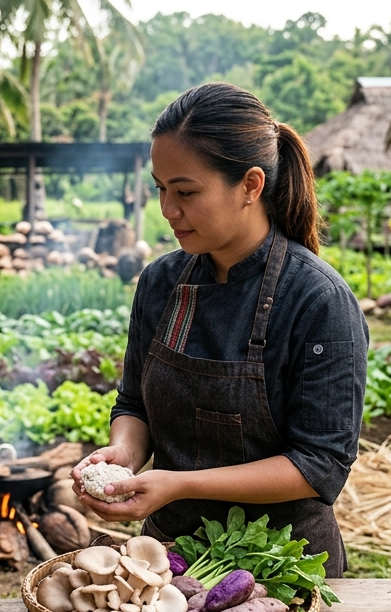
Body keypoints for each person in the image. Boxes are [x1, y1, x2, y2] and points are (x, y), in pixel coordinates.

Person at [71, 83, 368, 577]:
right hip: (166, 562)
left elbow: (319, 465)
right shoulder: (161, 282)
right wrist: (125, 452)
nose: (168, 210)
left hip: (279, 569)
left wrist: (180, 484)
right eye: (160, 189)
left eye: (186, 192)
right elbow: (134, 404)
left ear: (250, 185)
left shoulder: (318, 300)